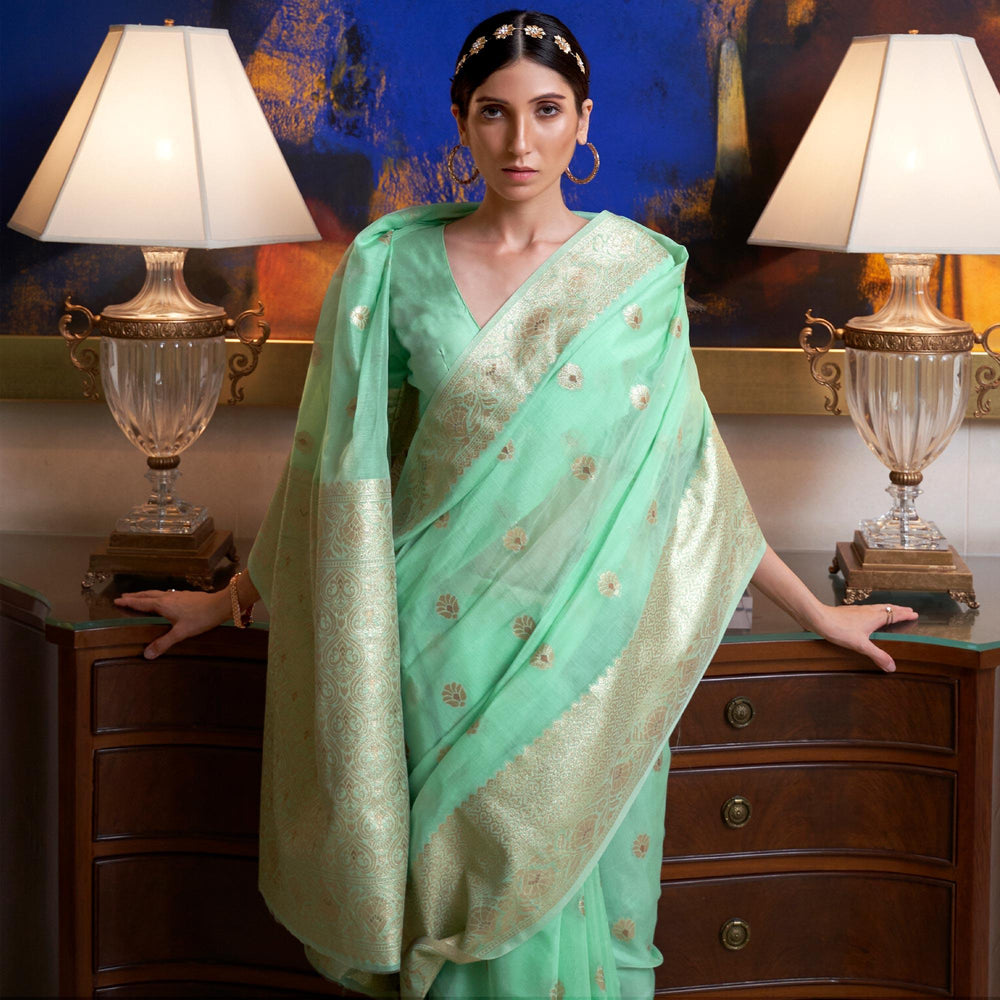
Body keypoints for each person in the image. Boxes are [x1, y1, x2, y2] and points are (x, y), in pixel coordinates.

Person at [116, 10, 917, 999]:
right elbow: (335, 471)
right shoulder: (392, 266)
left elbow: (692, 472)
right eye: (494, 112)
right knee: (456, 917)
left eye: (546, 110)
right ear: (462, 122)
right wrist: (230, 599)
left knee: (548, 901)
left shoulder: (635, 277)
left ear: (584, 122)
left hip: (580, 649)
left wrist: (818, 613)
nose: (520, 140)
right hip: (428, 647)